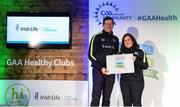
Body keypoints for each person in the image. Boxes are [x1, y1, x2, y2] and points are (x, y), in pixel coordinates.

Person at [88, 17, 119, 106]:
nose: (109, 26)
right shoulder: (96, 37)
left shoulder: (115, 39)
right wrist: (101, 68)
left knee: (107, 99)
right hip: (98, 71)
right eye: (106, 24)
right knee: (96, 97)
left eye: (110, 24)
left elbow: (116, 55)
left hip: (111, 72)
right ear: (103, 25)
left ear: (113, 25)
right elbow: (90, 55)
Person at [119, 33, 149, 107]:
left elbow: (145, 66)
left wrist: (136, 60)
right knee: (126, 104)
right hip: (124, 82)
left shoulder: (140, 52)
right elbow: (117, 67)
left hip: (137, 82)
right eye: (124, 40)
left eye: (128, 39)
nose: (127, 42)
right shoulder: (120, 53)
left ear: (133, 40)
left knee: (137, 104)